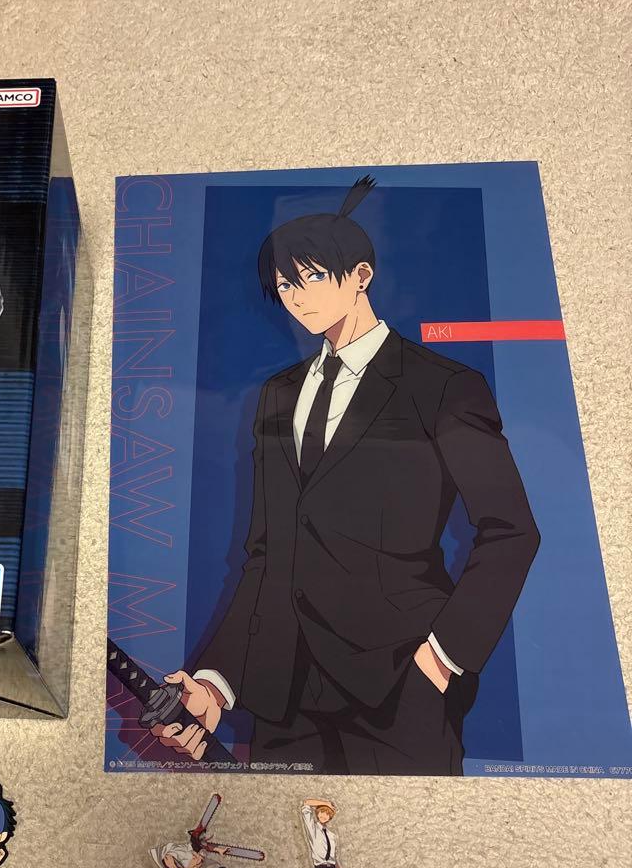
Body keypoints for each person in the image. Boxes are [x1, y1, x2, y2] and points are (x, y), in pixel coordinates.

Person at [150, 176, 540, 774]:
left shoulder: (442, 385)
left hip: (399, 685)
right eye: (284, 285)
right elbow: (267, 554)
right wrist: (216, 683)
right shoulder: (277, 394)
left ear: (360, 276)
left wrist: (442, 659)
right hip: (283, 696)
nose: (295, 297)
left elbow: (511, 529)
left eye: (309, 277)